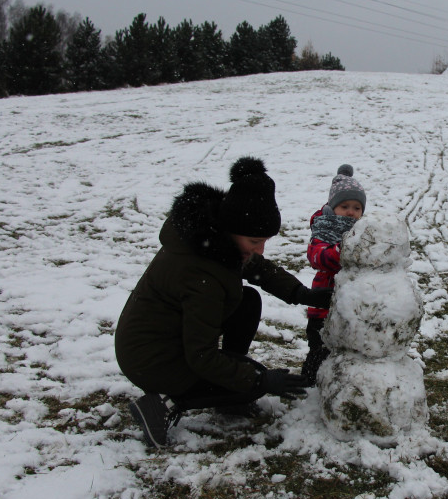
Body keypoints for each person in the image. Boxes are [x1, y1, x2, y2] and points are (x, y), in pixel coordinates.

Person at [115, 157, 332, 448]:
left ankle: (227, 390)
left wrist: (300, 293)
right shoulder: (199, 273)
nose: (260, 249)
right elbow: (201, 356)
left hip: (169, 340)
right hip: (152, 359)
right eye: (255, 241)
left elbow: (255, 267)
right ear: (233, 230)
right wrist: (260, 383)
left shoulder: (214, 240)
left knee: (247, 300)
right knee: (249, 384)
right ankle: (161, 404)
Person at [301, 164, 366, 384]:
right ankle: (309, 385)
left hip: (351, 305)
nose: (351, 212)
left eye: (357, 208)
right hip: (323, 305)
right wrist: (341, 251)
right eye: (345, 206)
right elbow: (316, 256)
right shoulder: (324, 228)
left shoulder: (362, 231)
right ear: (332, 207)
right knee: (319, 349)